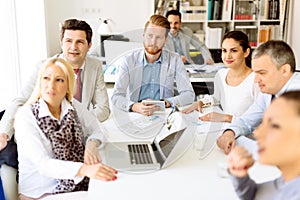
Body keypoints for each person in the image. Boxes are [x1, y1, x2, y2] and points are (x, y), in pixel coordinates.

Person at [0, 18, 110, 199]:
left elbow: (101, 116)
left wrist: (87, 137)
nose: (51, 85)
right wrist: (3, 132)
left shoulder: (73, 105)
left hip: (73, 171)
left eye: (79, 42)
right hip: (42, 186)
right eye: (68, 41)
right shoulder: (44, 70)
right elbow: (19, 101)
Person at [14, 57, 117, 199]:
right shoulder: (25, 116)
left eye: (59, 80)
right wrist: (84, 169)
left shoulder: (71, 106)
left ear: (69, 85)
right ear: (40, 82)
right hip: (40, 193)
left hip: (74, 187)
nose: (51, 85)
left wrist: (91, 144)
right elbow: (43, 165)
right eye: (46, 78)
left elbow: (98, 129)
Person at [217, 40, 300, 155]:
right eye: (255, 73)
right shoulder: (270, 90)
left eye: (262, 73)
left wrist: (239, 141)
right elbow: (246, 121)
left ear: (284, 70)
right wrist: (229, 132)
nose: (256, 80)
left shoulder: (296, 94)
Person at [111, 14, 195, 115]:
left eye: (158, 37)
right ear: (143, 36)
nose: (153, 42)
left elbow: (189, 95)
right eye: (150, 36)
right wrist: (134, 106)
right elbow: (116, 96)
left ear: (165, 40)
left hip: (164, 112)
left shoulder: (175, 60)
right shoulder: (128, 60)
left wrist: (165, 103)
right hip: (136, 113)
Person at [227, 91, 300, 200]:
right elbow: (260, 195)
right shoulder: (286, 180)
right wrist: (241, 178)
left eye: (274, 126)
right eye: (264, 123)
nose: (257, 133)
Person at [182, 31, 259, 123]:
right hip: (225, 130)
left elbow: (261, 118)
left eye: (234, 51)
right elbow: (216, 98)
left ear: (246, 52)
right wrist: (201, 102)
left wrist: (227, 118)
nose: (228, 56)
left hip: (247, 134)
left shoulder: (256, 80)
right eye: (224, 50)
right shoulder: (221, 75)